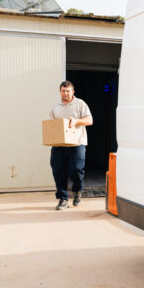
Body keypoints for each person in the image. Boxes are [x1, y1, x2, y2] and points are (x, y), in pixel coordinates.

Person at [48, 81, 93, 210]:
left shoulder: (80, 104)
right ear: (60, 92)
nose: (65, 93)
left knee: (76, 170)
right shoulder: (54, 106)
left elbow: (90, 120)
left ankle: (77, 191)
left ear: (73, 91)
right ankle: (63, 199)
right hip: (59, 144)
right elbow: (51, 125)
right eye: (63, 91)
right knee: (58, 172)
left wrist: (76, 121)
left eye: (68, 91)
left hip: (77, 143)